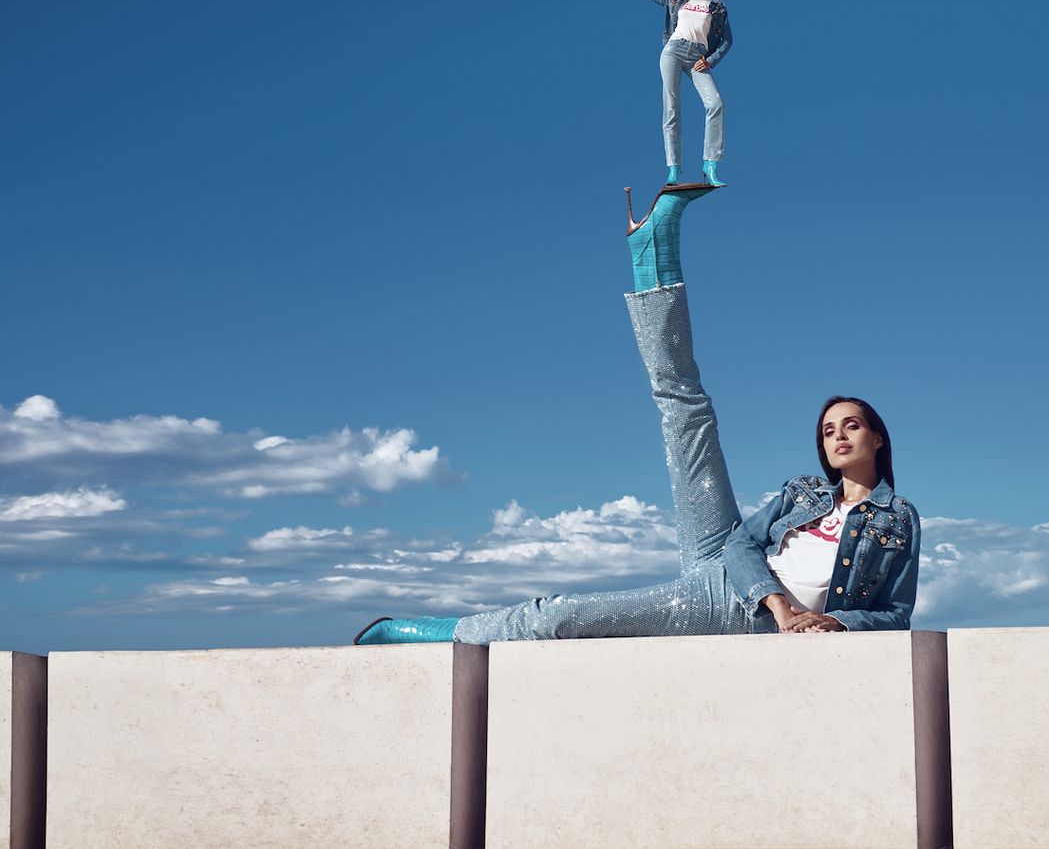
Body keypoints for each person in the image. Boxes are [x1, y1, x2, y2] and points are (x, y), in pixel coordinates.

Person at [354, 187, 920, 645]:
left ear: (877, 438)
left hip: (727, 607)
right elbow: (742, 546)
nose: (837, 436)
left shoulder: (897, 521)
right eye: (828, 430)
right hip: (734, 569)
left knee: (565, 617)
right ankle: (654, 253)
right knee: (687, 409)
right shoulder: (803, 492)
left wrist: (835, 622)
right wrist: (780, 606)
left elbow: (896, 613)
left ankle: (437, 632)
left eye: (850, 426)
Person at [644, 0, 731, 187]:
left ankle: (710, 165)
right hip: (673, 52)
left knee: (716, 104)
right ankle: (674, 170)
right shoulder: (675, 0)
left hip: (698, 58)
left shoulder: (716, 6)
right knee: (671, 109)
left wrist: (711, 60)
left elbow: (727, 39)